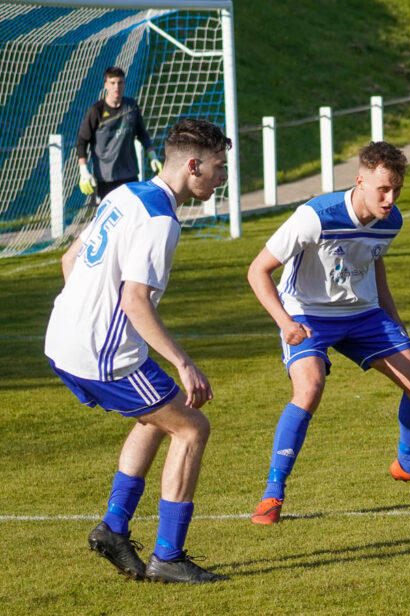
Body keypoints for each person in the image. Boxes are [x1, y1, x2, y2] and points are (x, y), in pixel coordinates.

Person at [45, 118, 231, 583]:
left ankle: (113, 527)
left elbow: (70, 259)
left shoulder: (125, 193)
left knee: (157, 414)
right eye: (219, 167)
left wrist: (83, 317)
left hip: (61, 337)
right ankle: (168, 556)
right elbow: (134, 301)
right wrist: (184, 362)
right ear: (193, 166)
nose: (223, 178)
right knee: (192, 427)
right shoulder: (160, 220)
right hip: (101, 353)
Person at [249, 141, 410, 526]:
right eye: (383, 189)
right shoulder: (315, 216)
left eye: (397, 189)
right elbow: (257, 270)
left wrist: (393, 317)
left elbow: (374, 263)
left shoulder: (391, 221)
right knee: (309, 389)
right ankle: (272, 494)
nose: (390, 199)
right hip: (307, 313)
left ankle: (409, 463)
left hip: (363, 314)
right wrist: (285, 322)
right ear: (360, 181)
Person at [76, 66, 162, 200]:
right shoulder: (96, 111)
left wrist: (153, 156)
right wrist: (83, 170)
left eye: (120, 82)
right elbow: (82, 141)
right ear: (105, 85)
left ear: (124, 84)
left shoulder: (131, 107)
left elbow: (142, 134)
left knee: (132, 210)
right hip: (106, 178)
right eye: (112, 83)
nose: (116, 87)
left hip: (130, 175)